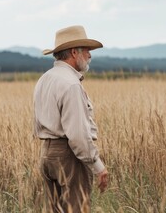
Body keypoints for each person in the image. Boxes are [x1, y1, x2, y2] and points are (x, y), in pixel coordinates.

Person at [33, 25, 108, 213]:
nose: (90, 55)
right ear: (74, 53)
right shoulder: (71, 84)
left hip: (47, 155)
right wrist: (98, 166)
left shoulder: (44, 79)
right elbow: (78, 136)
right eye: (87, 50)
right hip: (69, 157)